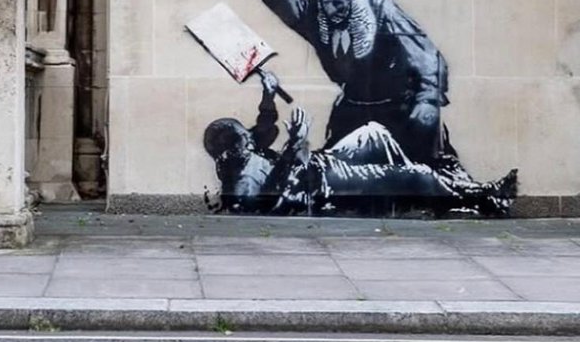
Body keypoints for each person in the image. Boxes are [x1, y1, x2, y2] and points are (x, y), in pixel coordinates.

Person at [203, 72, 518, 217]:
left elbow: (264, 125)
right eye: (244, 137)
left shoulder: (245, 152)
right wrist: (293, 146)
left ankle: (428, 194)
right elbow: (269, 204)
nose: (251, 136)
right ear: (230, 150)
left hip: (321, 163)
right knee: (414, 174)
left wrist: (268, 92)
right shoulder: (242, 182)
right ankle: (480, 196)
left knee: (373, 133)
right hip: (323, 182)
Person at [255, 0, 451, 163]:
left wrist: (428, 99)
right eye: (326, 3)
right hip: (352, 111)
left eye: (337, 3)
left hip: (397, 112)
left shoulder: (381, 9)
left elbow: (425, 55)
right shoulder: (318, 17)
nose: (331, 10)